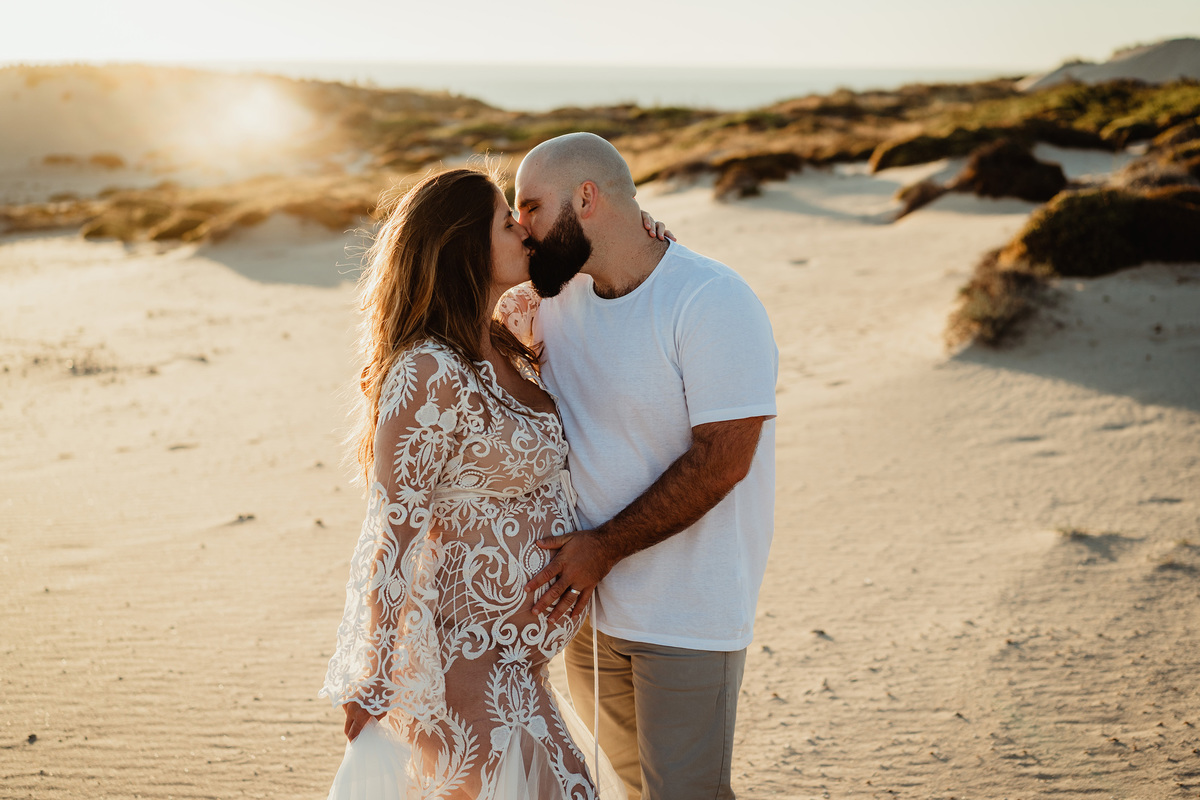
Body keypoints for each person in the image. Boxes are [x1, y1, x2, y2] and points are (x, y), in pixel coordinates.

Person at [319, 165, 667, 800]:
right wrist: (372, 675)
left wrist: (644, 236)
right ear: (464, 245)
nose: (525, 233)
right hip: (461, 667)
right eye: (508, 223)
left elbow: (608, 282)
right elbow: (391, 531)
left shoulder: (510, 337)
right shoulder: (428, 369)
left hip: (519, 666)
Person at [505, 133, 778, 800]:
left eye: (532, 208)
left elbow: (722, 461)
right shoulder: (551, 303)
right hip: (586, 612)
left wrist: (604, 547)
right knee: (632, 789)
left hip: (685, 612)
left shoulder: (711, 300)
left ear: (587, 198)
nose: (522, 228)